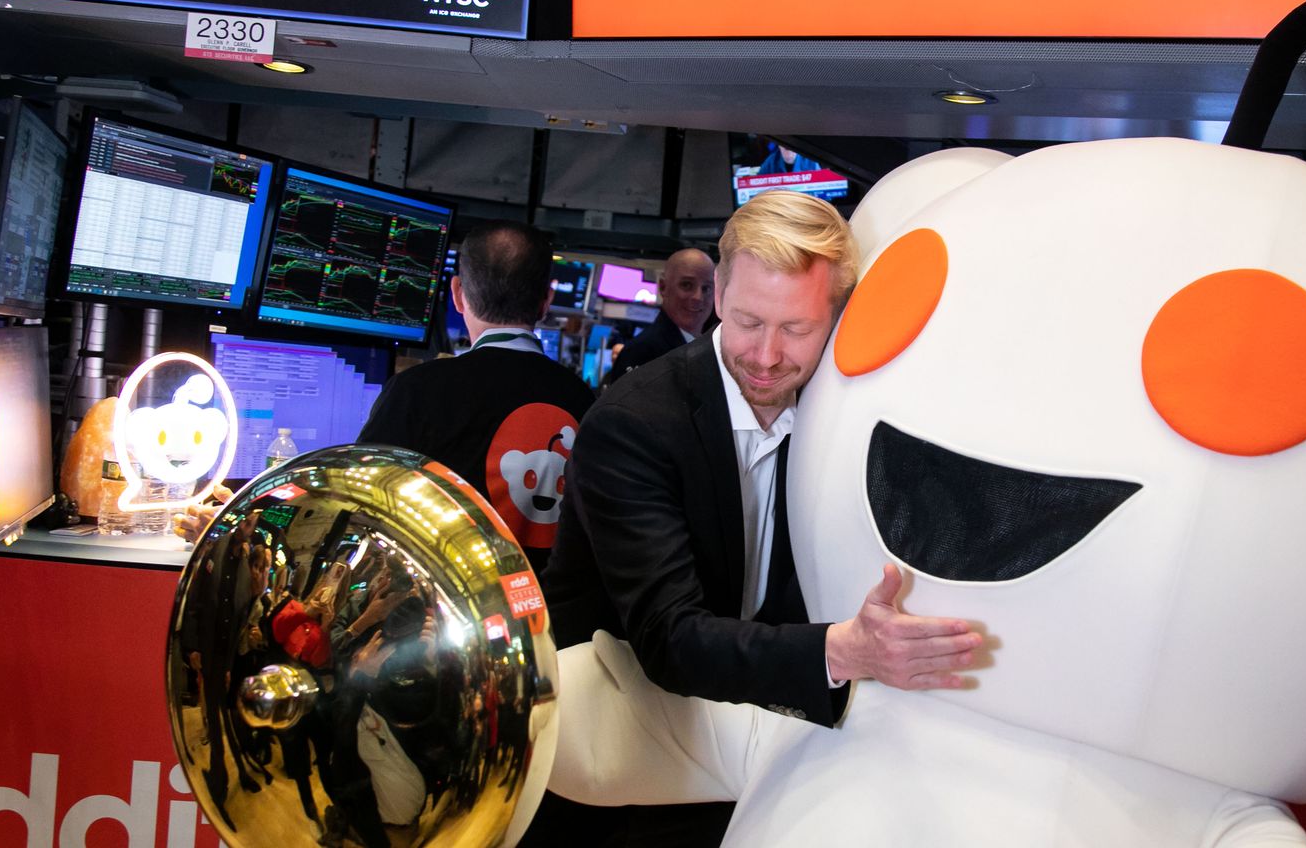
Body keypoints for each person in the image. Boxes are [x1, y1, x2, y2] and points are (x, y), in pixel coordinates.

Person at [537, 192, 985, 841]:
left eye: (797, 330)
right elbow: (671, 640)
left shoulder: (845, 412)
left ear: (836, 315)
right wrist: (843, 650)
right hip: (619, 769)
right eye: (748, 321)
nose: (768, 356)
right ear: (719, 292)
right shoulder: (635, 425)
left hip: (763, 762)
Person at [356, 221, 594, 574]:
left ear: (457, 293)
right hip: (553, 619)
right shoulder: (587, 401)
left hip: (443, 614)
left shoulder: (416, 390)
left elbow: (365, 509)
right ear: (547, 299)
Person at [601, 248, 716, 385]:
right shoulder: (641, 353)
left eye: (706, 288)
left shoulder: (707, 350)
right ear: (663, 287)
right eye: (686, 285)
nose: (698, 297)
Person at [756, 144, 821, 175]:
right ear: (779, 146)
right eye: (785, 147)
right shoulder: (771, 161)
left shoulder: (810, 161)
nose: (788, 147)